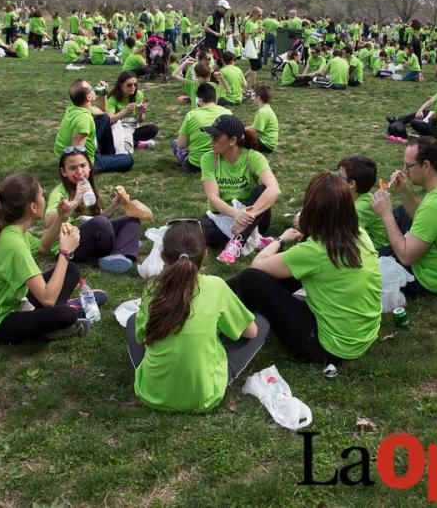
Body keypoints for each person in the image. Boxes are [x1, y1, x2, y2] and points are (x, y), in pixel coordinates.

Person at [231, 172, 381, 364]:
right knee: (289, 270)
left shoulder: (316, 250)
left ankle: (222, 307)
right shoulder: (359, 233)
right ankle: (222, 297)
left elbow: (257, 265)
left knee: (250, 279)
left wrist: (281, 239)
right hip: (360, 336)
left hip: (327, 347)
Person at [126, 219, 267, 412]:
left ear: (162, 255)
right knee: (260, 324)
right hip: (204, 397)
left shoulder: (152, 288)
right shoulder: (216, 286)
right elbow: (250, 332)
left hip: (152, 394)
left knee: (133, 321)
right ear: (205, 254)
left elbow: (141, 336)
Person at [0, 172, 93, 344]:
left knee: (71, 270)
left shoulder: (12, 230)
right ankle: (61, 317)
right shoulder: (12, 244)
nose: (44, 197)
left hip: (15, 304)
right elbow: (47, 299)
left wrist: (62, 216)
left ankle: (56, 316)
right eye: (42, 195)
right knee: (66, 315)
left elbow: (43, 246)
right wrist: (65, 252)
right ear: (33, 207)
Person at [370, 137, 437, 295]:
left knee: (370, 267)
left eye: (409, 166)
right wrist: (404, 190)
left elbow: (406, 257)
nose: (405, 171)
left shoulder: (435, 206)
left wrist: (386, 215)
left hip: (428, 280)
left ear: (426, 165)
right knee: (400, 218)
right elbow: (422, 217)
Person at [198, 115, 281, 263]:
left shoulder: (253, 157)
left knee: (262, 190)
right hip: (225, 214)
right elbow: (213, 197)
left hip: (254, 218)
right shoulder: (208, 159)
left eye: (216, 137)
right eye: (211, 137)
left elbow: (274, 189)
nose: (212, 142)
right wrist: (236, 214)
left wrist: (246, 217)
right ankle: (256, 240)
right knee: (198, 232)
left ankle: (237, 243)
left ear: (232, 140)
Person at [43, 149, 142, 273]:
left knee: (131, 219)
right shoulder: (59, 193)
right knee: (101, 223)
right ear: (64, 172)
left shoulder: (88, 187)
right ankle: (124, 243)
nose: (79, 172)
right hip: (69, 246)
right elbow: (48, 222)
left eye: (83, 166)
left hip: (89, 235)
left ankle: (119, 254)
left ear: (89, 167)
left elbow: (94, 219)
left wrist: (114, 206)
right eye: (73, 168)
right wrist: (75, 201)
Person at [53, 79, 133, 174]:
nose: (95, 89)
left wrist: (103, 94)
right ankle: (101, 161)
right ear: (89, 97)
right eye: (92, 89)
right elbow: (77, 151)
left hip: (63, 155)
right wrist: (82, 170)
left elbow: (101, 111)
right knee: (128, 159)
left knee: (104, 118)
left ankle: (108, 154)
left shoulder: (75, 106)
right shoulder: (84, 119)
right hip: (81, 161)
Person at [173, 83, 231, 173]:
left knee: (175, 143)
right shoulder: (228, 113)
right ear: (215, 99)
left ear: (199, 100)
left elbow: (181, 145)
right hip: (220, 163)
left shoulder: (191, 115)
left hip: (196, 165)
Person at [338, 155, 388, 249]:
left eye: (340, 177)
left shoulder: (363, 207)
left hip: (376, 248)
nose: (336, 179)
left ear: (351, 184)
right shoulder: (352, 197)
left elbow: (344, 234)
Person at [101, 71, 159, 149]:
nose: (133, 87)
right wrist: (125, 111)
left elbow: (139, 120)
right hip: (117, 128)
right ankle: (136, 144)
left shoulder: (138, 94)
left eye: (135, 84)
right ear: (121, 85)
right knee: (111, 137)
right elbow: (109, 120)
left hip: (132, 126)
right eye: (129, 85)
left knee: (153, 129)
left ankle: (129, 142)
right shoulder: (113, 99)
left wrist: (140, 113)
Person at [248, 85, 279, 153]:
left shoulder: (262, 112)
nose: (252, 98)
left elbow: (254, 130)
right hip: (270, 143)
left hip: (266, 145)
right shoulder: (267, 108)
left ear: (259, 98)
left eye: (254, 96)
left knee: (240, 138)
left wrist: (240, 129)